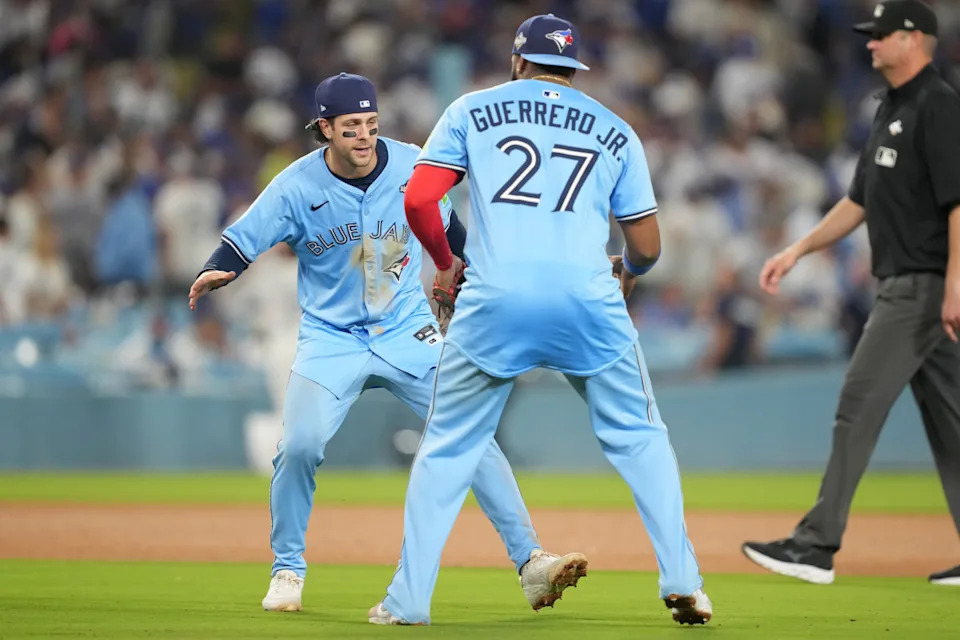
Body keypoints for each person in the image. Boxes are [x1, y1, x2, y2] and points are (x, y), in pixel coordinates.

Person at [188, 72, 587, 613]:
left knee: (471, 431)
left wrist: (478, 269)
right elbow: (244, 237)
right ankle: (287, 568)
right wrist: (218, 270)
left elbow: (451, 231)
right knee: (299, 446)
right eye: (350, 125)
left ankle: (531, 562)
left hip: (406, 329)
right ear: (324, 127)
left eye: (370, 124)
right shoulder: (295, 185)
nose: (363, 135)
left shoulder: (408, 163)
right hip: (332, 338)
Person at [368, 14, 711, 627]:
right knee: (641, 438)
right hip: (588, 299)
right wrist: (628, 270)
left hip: (495, 301)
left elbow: (419, 199)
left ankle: (409, 602)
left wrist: (446, 264)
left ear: (518, 61)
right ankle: (684, 579)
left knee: (448, 449)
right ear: (574, 69)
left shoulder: (472, 108)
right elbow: (649, 245)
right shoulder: (615, 129)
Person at [742, 0, 960, 587]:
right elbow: (858, 201)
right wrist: (797, 250)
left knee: (856, 406)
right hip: (914, 284)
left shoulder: (938, 105)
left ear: (915, 39)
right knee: (952, 423)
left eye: (883, 34)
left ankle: (815, 545)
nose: (870, 42)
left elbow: (958, 200)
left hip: (920, 286)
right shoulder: (892, 107)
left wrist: (955, 283)